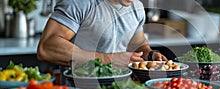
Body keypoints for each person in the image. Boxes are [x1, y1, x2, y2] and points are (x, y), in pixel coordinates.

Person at [37, 0, 167, 68]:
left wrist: (149, 54)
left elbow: (138, 45)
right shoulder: (79, 3)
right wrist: (108, 59)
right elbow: (47, 48)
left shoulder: (137, 8)